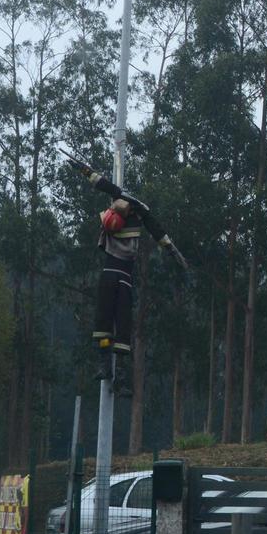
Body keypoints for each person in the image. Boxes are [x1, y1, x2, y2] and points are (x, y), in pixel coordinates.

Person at [63, 152, 188, 391]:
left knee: (122, 323)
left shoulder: (138, 210)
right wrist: (84, 170)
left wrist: (171, 250)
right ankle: (105, 365)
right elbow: (101, 183)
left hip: (123, 276)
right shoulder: (124, 205)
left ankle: (118, 373)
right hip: (113, 272)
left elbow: (156, 229)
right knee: (104, 321)